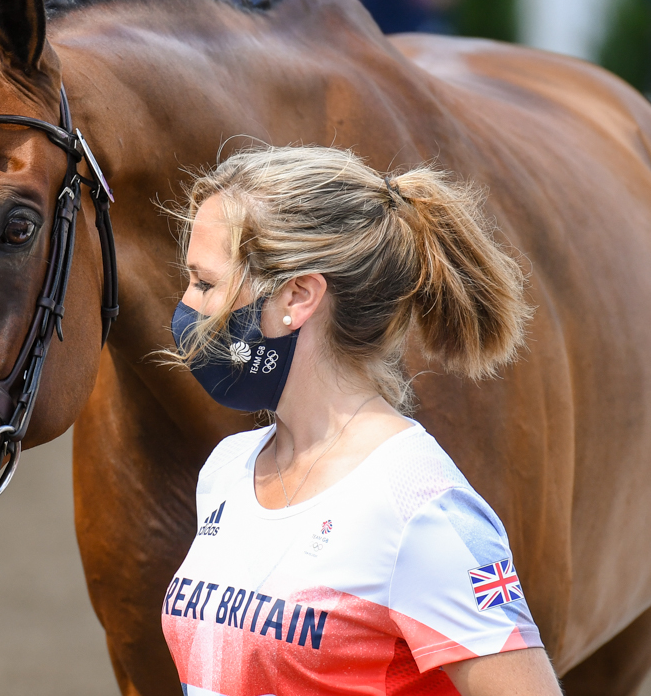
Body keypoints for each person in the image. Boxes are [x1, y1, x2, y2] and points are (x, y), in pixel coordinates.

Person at [160, 146, 561, 694]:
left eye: (205, 284)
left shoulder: (421, 508)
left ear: (298, 296)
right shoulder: (227, 470)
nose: (186, 307)